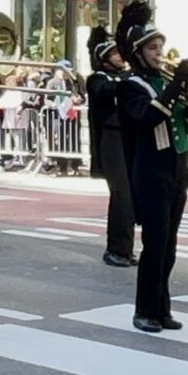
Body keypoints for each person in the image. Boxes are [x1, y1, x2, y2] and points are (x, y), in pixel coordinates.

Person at [115, 2, 188, 332]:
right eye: (153, 48)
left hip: (178, 168)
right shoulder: (130, 85)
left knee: (170, 246)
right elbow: (148, 116)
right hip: (151, 171)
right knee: (155, 244)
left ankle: (162, 308)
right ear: (138, 53)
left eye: (161, 47)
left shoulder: (166, 84)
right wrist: (173, 87)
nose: (159, 54)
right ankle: (144, 310)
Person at [84, 26, 137, 267]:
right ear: (104, 58)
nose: (120, 57)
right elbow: (105, 91)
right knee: (121, 196)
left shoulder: (127, 77)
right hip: (111, 140)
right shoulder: (97, 79)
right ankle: (116, 248)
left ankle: (126, 248)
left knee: (131, 196)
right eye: (115, 53)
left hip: (128, 139)